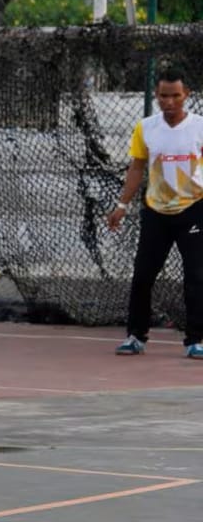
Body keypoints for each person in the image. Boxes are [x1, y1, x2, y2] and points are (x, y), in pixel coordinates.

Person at [109, 66, 203, 359]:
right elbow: (137, 167)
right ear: (157, 96)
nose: (169, 102)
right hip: (156, 212)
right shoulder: (146, 127)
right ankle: (136, 336)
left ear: (186, 95)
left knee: (196, 277)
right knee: (142, 276)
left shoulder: (200, 126)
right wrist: (122, 205)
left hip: (193, 209)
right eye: (163, 96)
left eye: (175, 95)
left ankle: (196, 340)